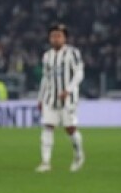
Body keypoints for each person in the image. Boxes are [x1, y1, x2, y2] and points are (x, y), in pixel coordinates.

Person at [36, 23, 85, 173]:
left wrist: (68, 90)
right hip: (50, 98)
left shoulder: (73, 53)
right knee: (47, 127)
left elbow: (79, 74)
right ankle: (45, 162)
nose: (55, 39)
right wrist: (40, 98)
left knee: (70, 129)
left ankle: (78, 155)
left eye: (59, 36)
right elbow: (45, 78)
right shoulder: (47, 56)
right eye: (53, 36)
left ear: (65, 38)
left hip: (68, 99)